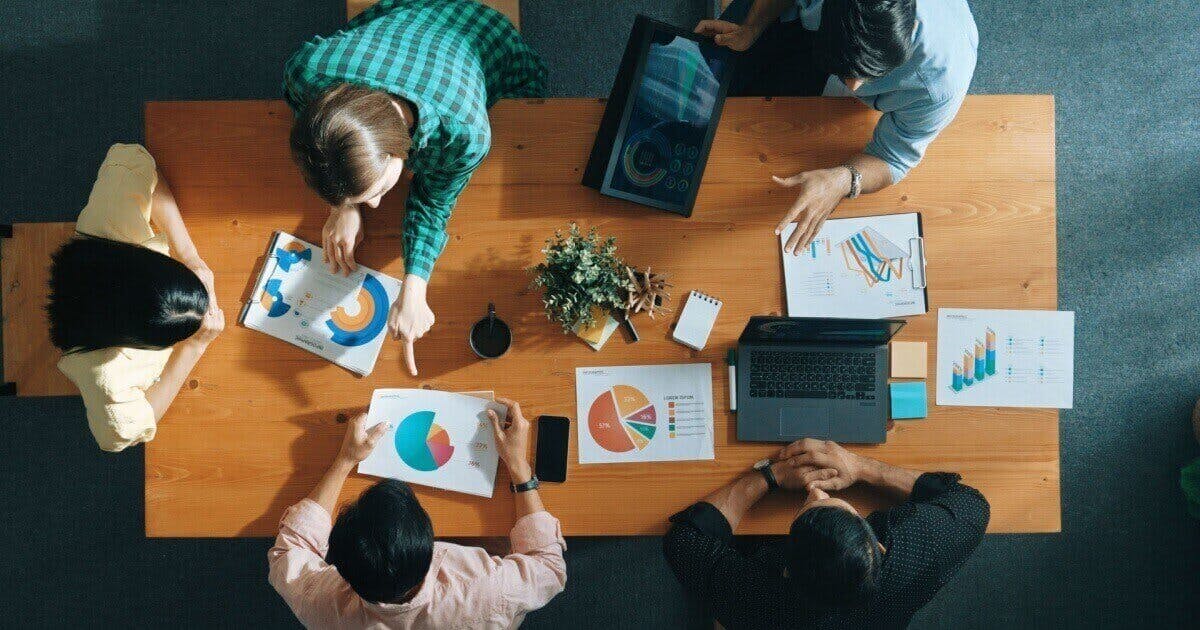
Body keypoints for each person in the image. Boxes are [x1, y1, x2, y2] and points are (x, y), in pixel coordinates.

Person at [283, 0, 547, 376]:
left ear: (399, 153)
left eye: (372, 192)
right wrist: (342, 206)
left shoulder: (464, 132)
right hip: (399, 22)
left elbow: (431, 202)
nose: (375, 205)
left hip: (477, 31)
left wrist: (416, 285)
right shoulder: (308, 73)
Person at [695, 0, 978, 254]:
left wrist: (845, 180)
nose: (852, 87)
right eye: (845, 72)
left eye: (869, 74)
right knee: (699, 92)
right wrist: (751, 28)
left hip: (833, 40)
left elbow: (894, 158)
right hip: (806, 22)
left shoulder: (940, 85)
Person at [268, 398, 567, 629]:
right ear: (430, 547)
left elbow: (290, 550)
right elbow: (549, 567)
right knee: (498, 540)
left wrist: (345, 461)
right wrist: (518, 466)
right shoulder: (488, 589)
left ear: (342, 571)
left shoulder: (320, 604)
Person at [663, 438, 989, 629]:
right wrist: (861, 467)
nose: (818, 494)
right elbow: (969, 501)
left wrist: (769, 477)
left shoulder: (753, 599)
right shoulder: (915, 552)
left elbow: (687, 539)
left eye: (813, 505)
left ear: (786, 568)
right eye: (833, 504)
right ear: (875, 544)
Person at [48, 143, 224, 452]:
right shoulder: (106, 375)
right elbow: (119, 438)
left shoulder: (113, 224)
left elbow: (138, 162)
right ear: (141, 341)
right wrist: (195, 347)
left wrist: (190, 256)